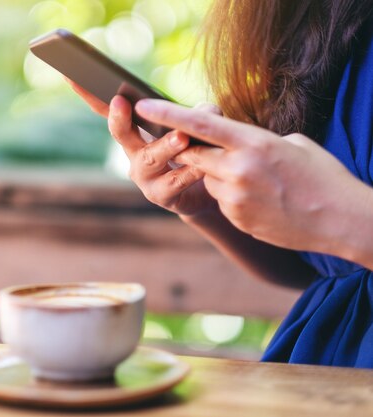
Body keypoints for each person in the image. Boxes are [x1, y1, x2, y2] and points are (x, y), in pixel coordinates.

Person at [68, 0, 373, 368]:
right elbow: (331, 270)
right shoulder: (320, 15)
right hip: (321, 377)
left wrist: (346, 219)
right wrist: (209, 203)